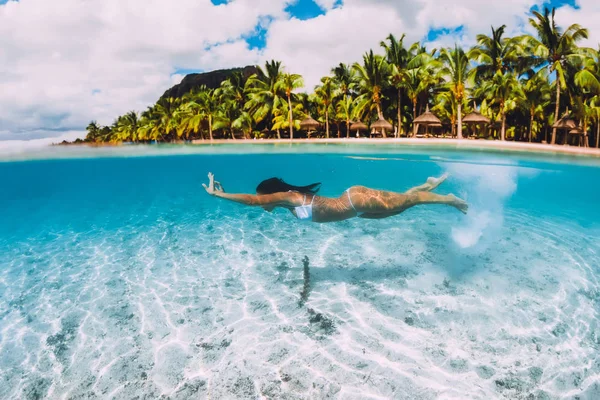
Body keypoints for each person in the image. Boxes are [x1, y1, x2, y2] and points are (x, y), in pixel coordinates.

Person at [203, 172, 467, 223]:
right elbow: (263, 207)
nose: (265, 203)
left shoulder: (285, 196)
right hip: (354, 204)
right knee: (400, 207)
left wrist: (217, 195)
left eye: (265, 198)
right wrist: (225, 193)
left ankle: (451, 199)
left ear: (270, 194)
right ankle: (427, 184)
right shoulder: (283, 202)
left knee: (411, 202)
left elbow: (252, 201)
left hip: (355, 202)